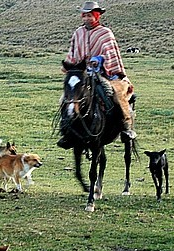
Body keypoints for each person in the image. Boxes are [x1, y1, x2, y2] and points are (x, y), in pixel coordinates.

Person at [58, 1, 136, 149]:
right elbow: (74, 53)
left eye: (90, 15)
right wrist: (69, 65)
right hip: (83, 73)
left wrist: (99, 60)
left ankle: (126, 127)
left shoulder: (105, 33)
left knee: (115, 94)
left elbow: (111, 54)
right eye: (85, 16)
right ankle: (66, 132)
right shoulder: (78, 33)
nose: (87, 18)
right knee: (66, 98)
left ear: (97, 16)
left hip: (103, 73)